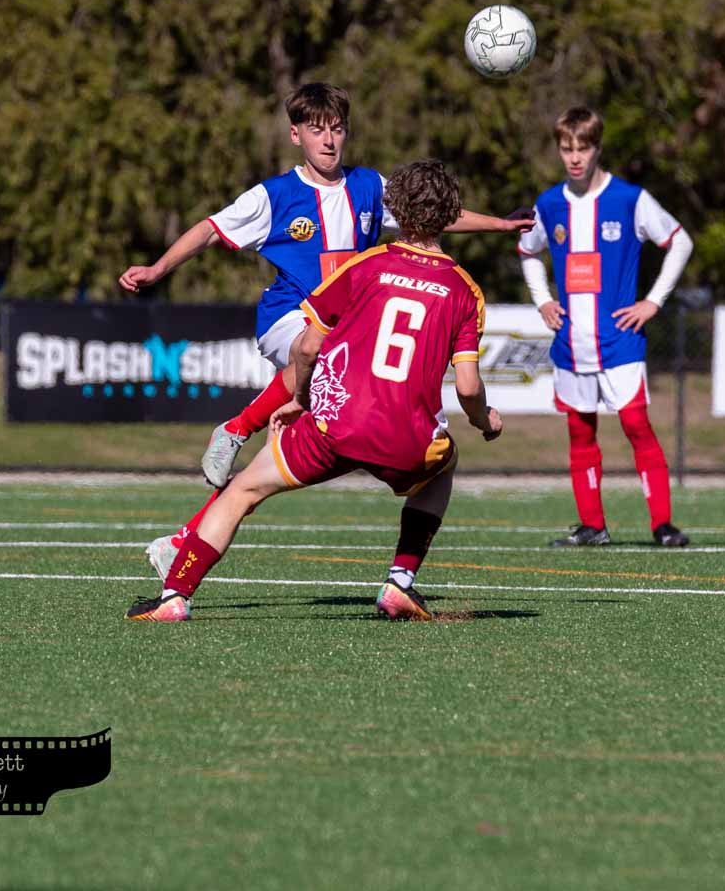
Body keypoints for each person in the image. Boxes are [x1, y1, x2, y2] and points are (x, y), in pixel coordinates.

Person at [118, 83, 524, 578]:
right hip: (289, 318)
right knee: (321, 349)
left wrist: (500, 226)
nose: (329, 140)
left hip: (340, 332)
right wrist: (158, 269)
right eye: (316, 130)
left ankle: (183, 542)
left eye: (337, 129)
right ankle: (236, 427)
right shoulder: (275, 196)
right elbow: (209, 229)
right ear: (296, 135)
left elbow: (432, 213)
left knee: (278, 461)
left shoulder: (368, 186)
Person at [516, 106, 695, 547]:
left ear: (598, 148)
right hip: (571, 343)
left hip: (619, 340)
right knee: (580, 433)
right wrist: (543, 300)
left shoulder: (630, 199)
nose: (575, 157)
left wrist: (653, 301)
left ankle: (663, 526)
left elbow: (680, 242)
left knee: (637, 427)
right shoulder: (549, 204)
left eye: (583, 148)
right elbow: (527, 250)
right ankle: (593, 526)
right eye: (566, 149)